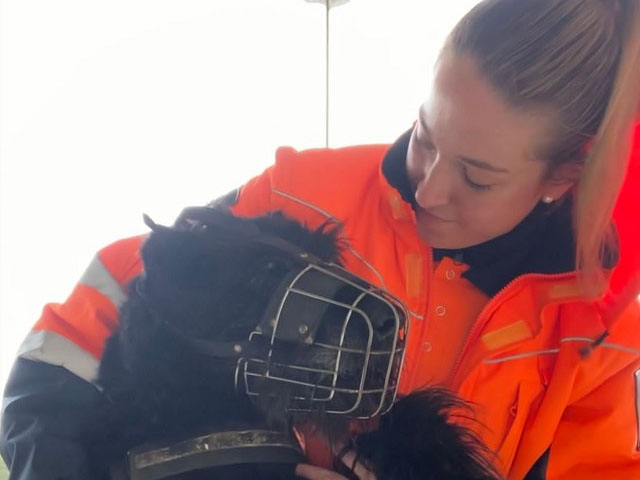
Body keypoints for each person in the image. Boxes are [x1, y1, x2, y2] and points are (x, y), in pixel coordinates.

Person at [2, 0, 640, 479]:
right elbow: (75, 337)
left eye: (476, 178)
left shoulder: (592, 330)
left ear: (565, 175)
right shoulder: (301, 195)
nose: (429, 191)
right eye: (424, 137)